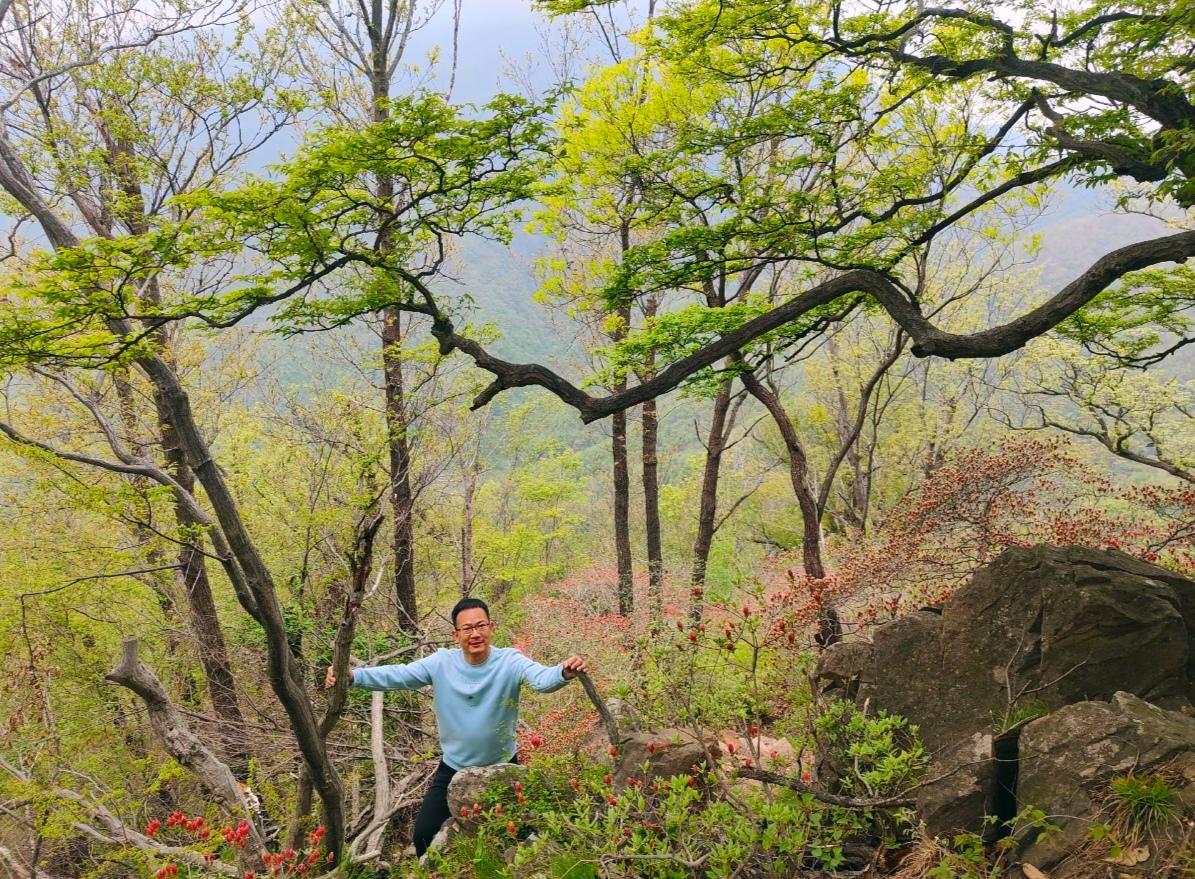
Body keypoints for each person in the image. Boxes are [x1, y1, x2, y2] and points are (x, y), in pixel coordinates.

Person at [324, 597, 587, 856]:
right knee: (424, 837)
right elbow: (399, 675)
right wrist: (353, 676)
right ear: (455, 634)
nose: (475, 633)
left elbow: (542, 679)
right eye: (467, 628)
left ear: (491, 627)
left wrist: (563, 672)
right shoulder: (442, 663)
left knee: (517, 835)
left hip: (503, 766)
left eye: (481, 626)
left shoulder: (510, 661)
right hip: (453, 768)